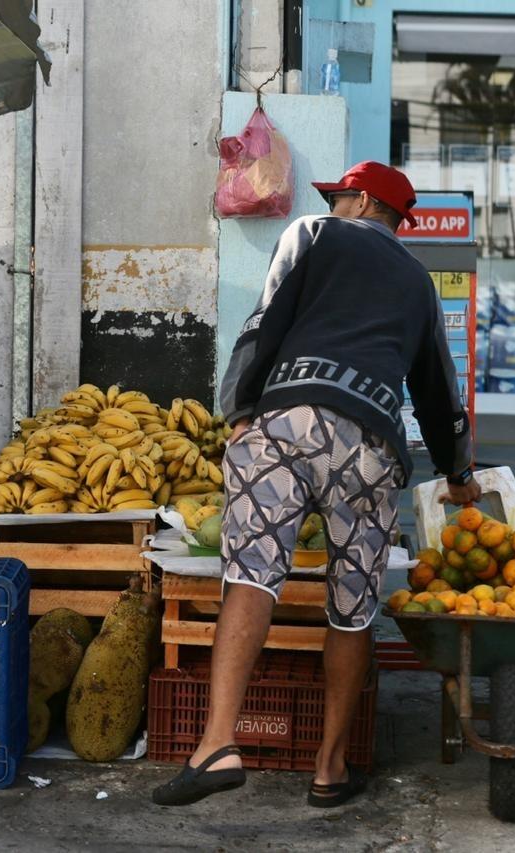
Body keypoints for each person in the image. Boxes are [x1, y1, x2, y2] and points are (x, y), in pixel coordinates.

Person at [153, 161, 481, 808]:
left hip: (289, 417)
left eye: (339, 196)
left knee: (250, 576)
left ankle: (218, 741)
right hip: (371, 442)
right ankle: (330, 767)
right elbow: (439, 390)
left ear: (361, 200)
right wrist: (459, 472)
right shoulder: (417, 282)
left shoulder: (314, 233)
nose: (331, 204)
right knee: (352, 606)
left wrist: (240, 413)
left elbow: (263, 321)